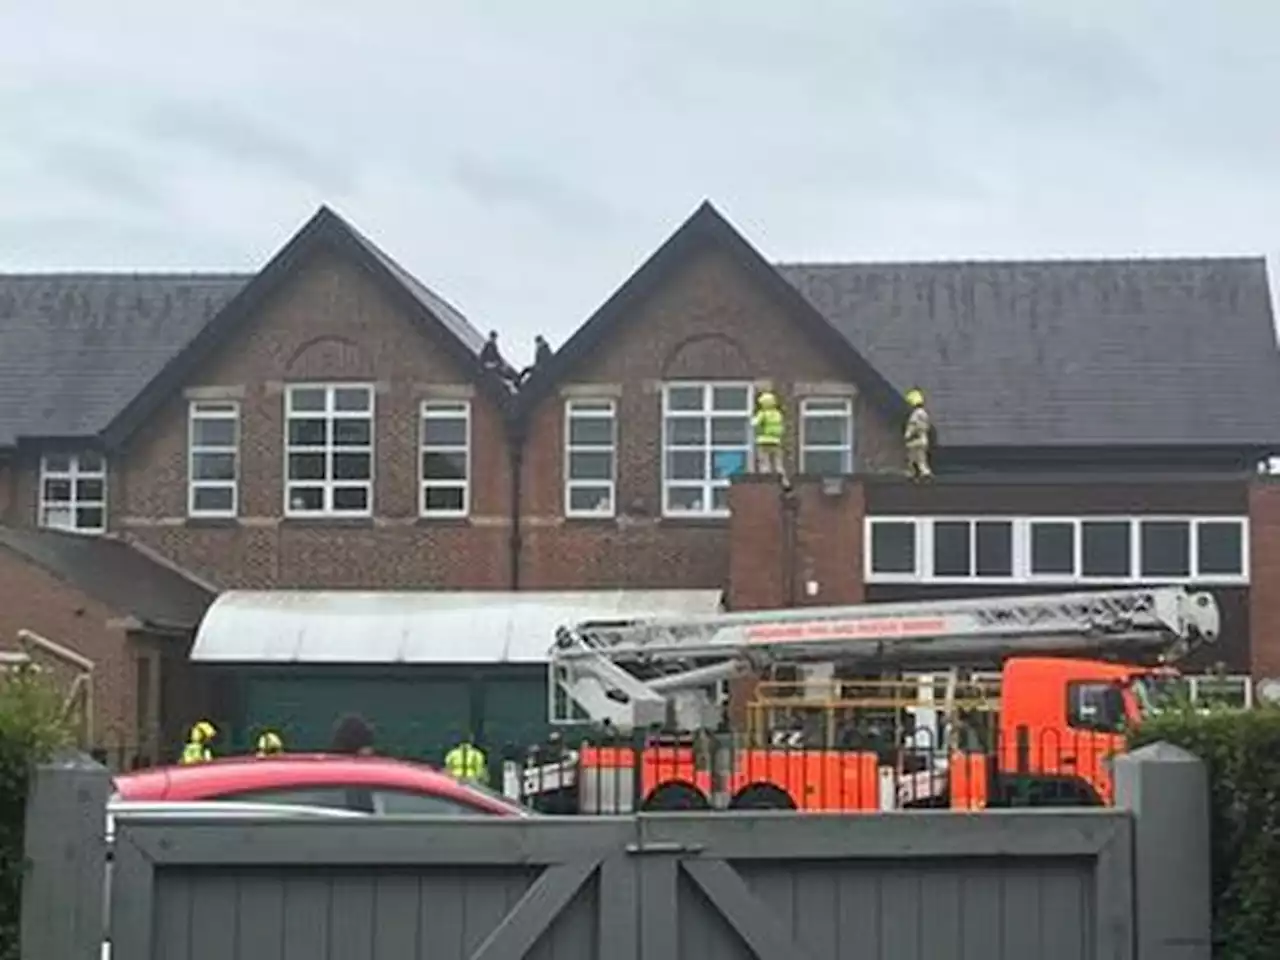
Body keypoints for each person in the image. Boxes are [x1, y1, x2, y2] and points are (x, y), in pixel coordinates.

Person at [752, 390, 787, 483]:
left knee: (764, 461)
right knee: (778, 462)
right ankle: (782, 479)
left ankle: (766, 479)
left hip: (763, 441)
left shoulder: (763, 413)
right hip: (776, 440)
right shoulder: (777, 414)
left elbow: (754, 423)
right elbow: (782, 426)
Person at [903, 387, 934, 481]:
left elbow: (912, 427)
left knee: (912, 457)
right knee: (921, 458)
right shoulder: (924, 414)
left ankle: (914, 473)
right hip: (924, 439)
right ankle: (925, 472)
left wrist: (907, 435)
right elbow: (928, 426)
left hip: (915, 440)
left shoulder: (915, 415)